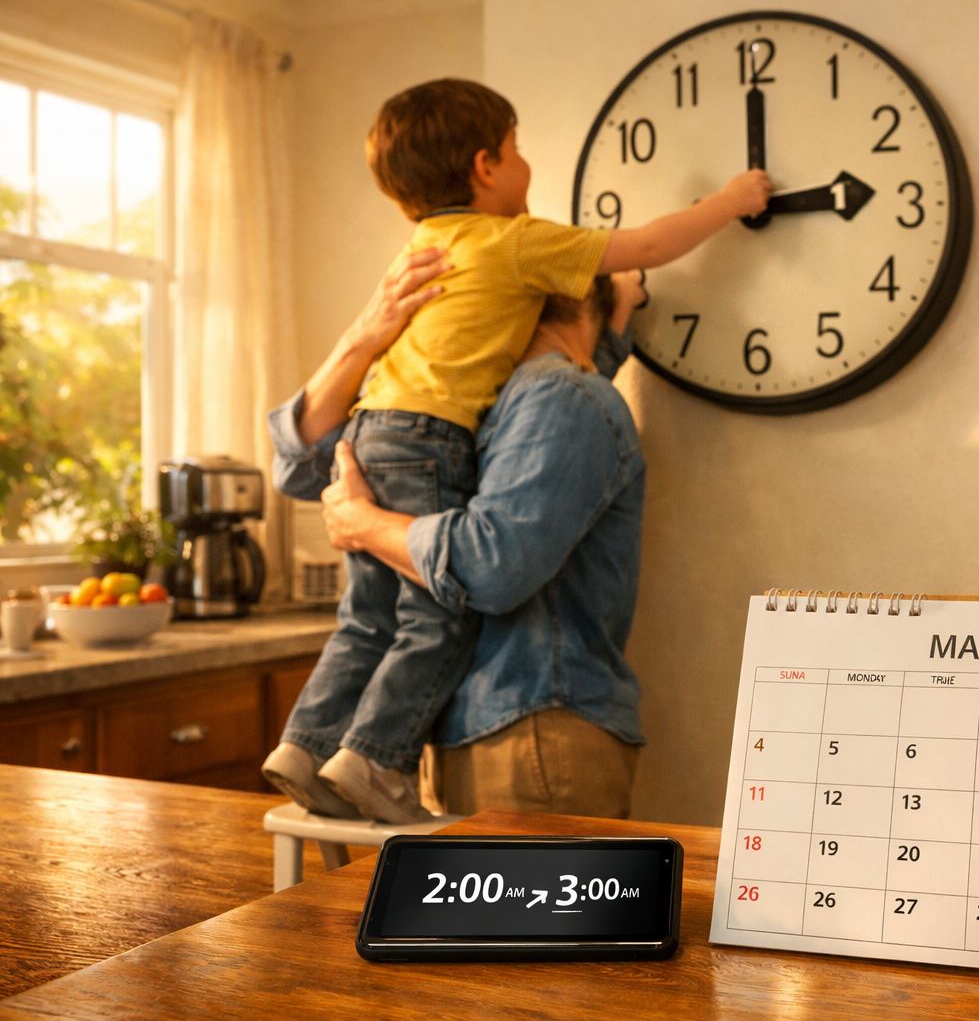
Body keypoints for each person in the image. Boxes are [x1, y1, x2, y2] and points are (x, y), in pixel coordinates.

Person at [263, 76, 769, 823]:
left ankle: (311, 744)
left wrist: (363, 515)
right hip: (533, 726)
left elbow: (302, 469)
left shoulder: (435, 277)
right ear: (484, 165)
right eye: (517, 149)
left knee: (367, 620)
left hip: (482, 703)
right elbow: (488, 566)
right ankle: (369, 757)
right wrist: (729, 202)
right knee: (427, 619)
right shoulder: (545, 350)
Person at [269, 252, 652, 821]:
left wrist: (365, 524)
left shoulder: (542, 400)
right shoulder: (546, 397)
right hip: (524, 733)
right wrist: (363, 336)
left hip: (519, 734)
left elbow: (490, 564)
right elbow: (298, 467)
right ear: (576, 302)